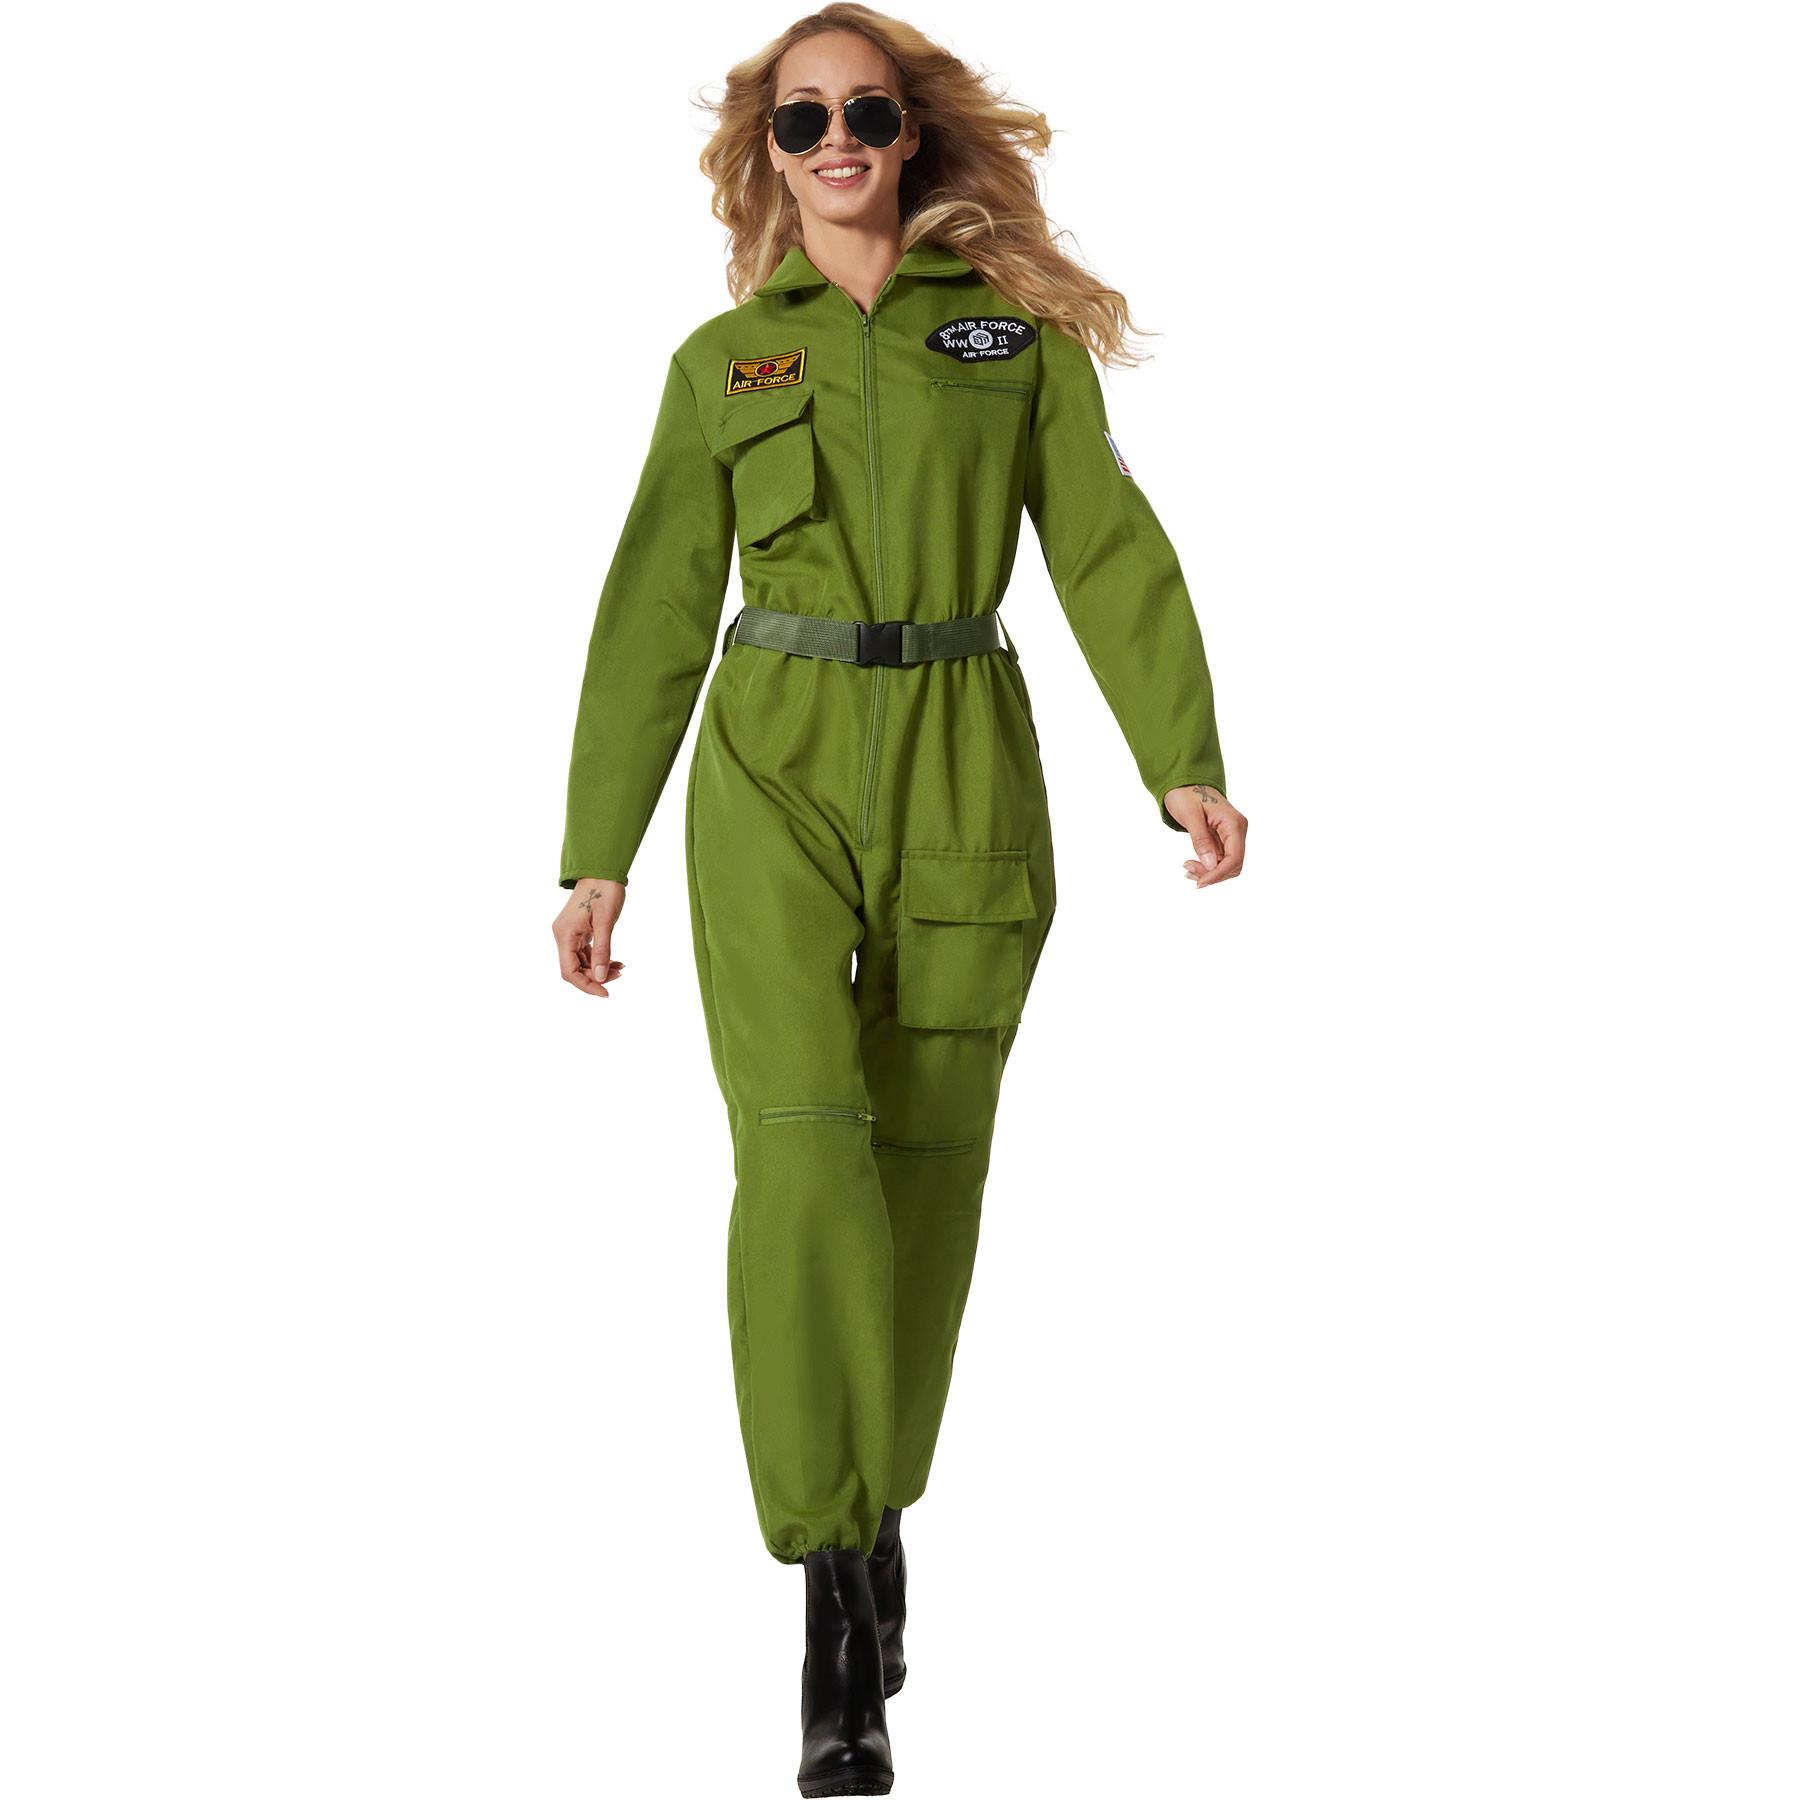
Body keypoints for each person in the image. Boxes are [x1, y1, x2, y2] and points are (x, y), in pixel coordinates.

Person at [550, 6, 1248, 1792]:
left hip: (963, 762)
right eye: (803, 120)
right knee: (802, 1161)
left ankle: (879, 1517)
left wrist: (1178, 750)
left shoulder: (1008, 341)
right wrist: (598, 846)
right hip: (769, 767)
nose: (839, 139)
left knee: (926, 1172)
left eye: (865, 110)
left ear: (912, 131)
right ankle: (828, 1596)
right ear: (769, 150)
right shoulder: (724, 362)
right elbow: (655, 602)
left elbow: (1102, 541)